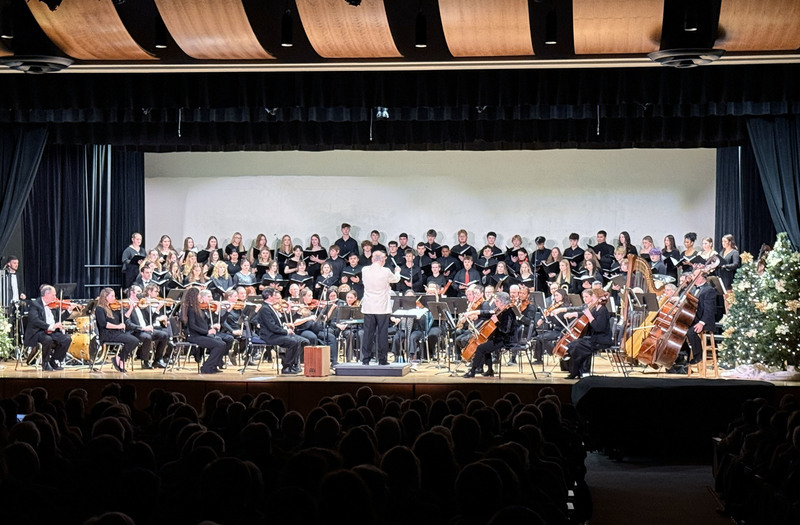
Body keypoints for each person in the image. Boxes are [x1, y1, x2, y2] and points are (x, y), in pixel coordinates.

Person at [360, 251, 401, 366]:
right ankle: (382, 359)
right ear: (382, 260)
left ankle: (366, 359)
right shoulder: (386, 271)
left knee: (368, 334)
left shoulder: (365, 270)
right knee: (382, 334)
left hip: (368, 307)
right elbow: (396, 279)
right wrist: (397, 272)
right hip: (382, 307)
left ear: (372, 259)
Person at [462, 291, 517, 378]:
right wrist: (477, 316)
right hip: (499, 338)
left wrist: (496, 322)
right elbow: (488, 314)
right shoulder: (500, 310)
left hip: (506, 340)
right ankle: (490, 370)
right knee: (485, 345)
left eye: (497, 300)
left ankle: (472, 371)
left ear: (503, 302)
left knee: (480, 348)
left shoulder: (508, 313)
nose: (495, 302)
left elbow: (505, 330)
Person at [257, 286, 308, 374]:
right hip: (270, 336)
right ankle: (286, 367)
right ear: (269, 296)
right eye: (274, 295)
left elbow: (277, 323)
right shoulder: (264, 309)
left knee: (303, 341)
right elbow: (271, 327)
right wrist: (286, 331)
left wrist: (285, 326)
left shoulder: (270, 307)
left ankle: (294, 365)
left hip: (276, 333)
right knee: (293, 342)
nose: (276, 297)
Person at [23, 284, 73, 371]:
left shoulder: (52, 305)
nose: (55, 297)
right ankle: (45, 363)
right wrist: (50, 326)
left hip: (51, 331)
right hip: (38, 332)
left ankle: (53, 360)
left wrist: (68, 311)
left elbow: (57, 319)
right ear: (47, 294)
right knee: (47, 339)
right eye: (53, 295)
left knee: (66, 339)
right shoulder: (35, 304)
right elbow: (35, 320)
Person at [564, 289, 611, 379]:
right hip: (594, 338)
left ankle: (578, 371)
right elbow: (584, 315)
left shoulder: (603, 311)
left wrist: (590, 317)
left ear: (599, 299)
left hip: (602, 340)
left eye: (593, 296)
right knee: (573, 344)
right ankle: (578, 371)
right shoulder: (596, 308)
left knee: (577, 346)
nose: (592, 298)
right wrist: (575, 315)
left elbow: (599, 328)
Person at [180, 287, 228, 374]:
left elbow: (203, 323)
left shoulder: (198, 308)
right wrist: (207, 332)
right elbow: (192, 326)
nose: (200, 296)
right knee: (219, 345)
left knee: (222, 343)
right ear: (194, 296)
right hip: (194, 336)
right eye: (198, 294)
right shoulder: (190, 309)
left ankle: (213, 366)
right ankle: (206, 367)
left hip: (201, 335)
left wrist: (210, 328)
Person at [123, 284, 169, 369]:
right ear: (132, 293)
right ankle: (145, 362)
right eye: (138, 292)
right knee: (147, 337)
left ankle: (158, 360)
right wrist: (143, 328)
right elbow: (128, 324)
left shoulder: (142, 305)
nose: (141, 294)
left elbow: (151, 318)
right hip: (135, 331)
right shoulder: (126, 305)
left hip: (146, 329)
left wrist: (157, 309)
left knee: (164, 335)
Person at [95, 287, 139, 373]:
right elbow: (104, 324)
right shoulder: (100, 309)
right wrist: (118, 326)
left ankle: (119, 358)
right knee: (133, 340)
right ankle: (121, 359)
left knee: (135, 340)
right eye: (112, 296)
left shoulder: (114, 308)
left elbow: (125, 318)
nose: (114, 298)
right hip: (107, 334)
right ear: (105, 296)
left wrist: (131, 308)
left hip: (116, 333)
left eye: (114, 296)